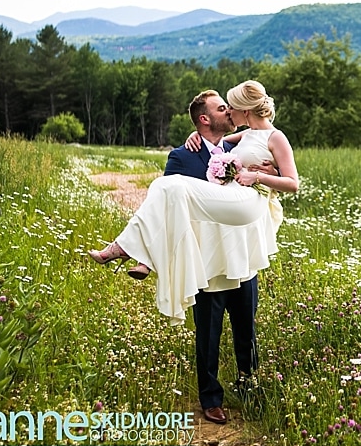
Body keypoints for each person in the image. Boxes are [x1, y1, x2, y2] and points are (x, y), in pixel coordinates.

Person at [86, 80, 298, 422]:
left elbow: (285, 175)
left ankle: (250, 389)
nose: (228, 111)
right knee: (208, 333)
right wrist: (194, 139)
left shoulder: (252, 139)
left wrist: (265, 175)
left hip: (242, 252)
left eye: (230, 106)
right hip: (208, 259)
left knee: (246, 330)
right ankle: (210, 398)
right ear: (203, 120)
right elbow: (167, 211)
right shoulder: (185, 154)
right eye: (221, 108)